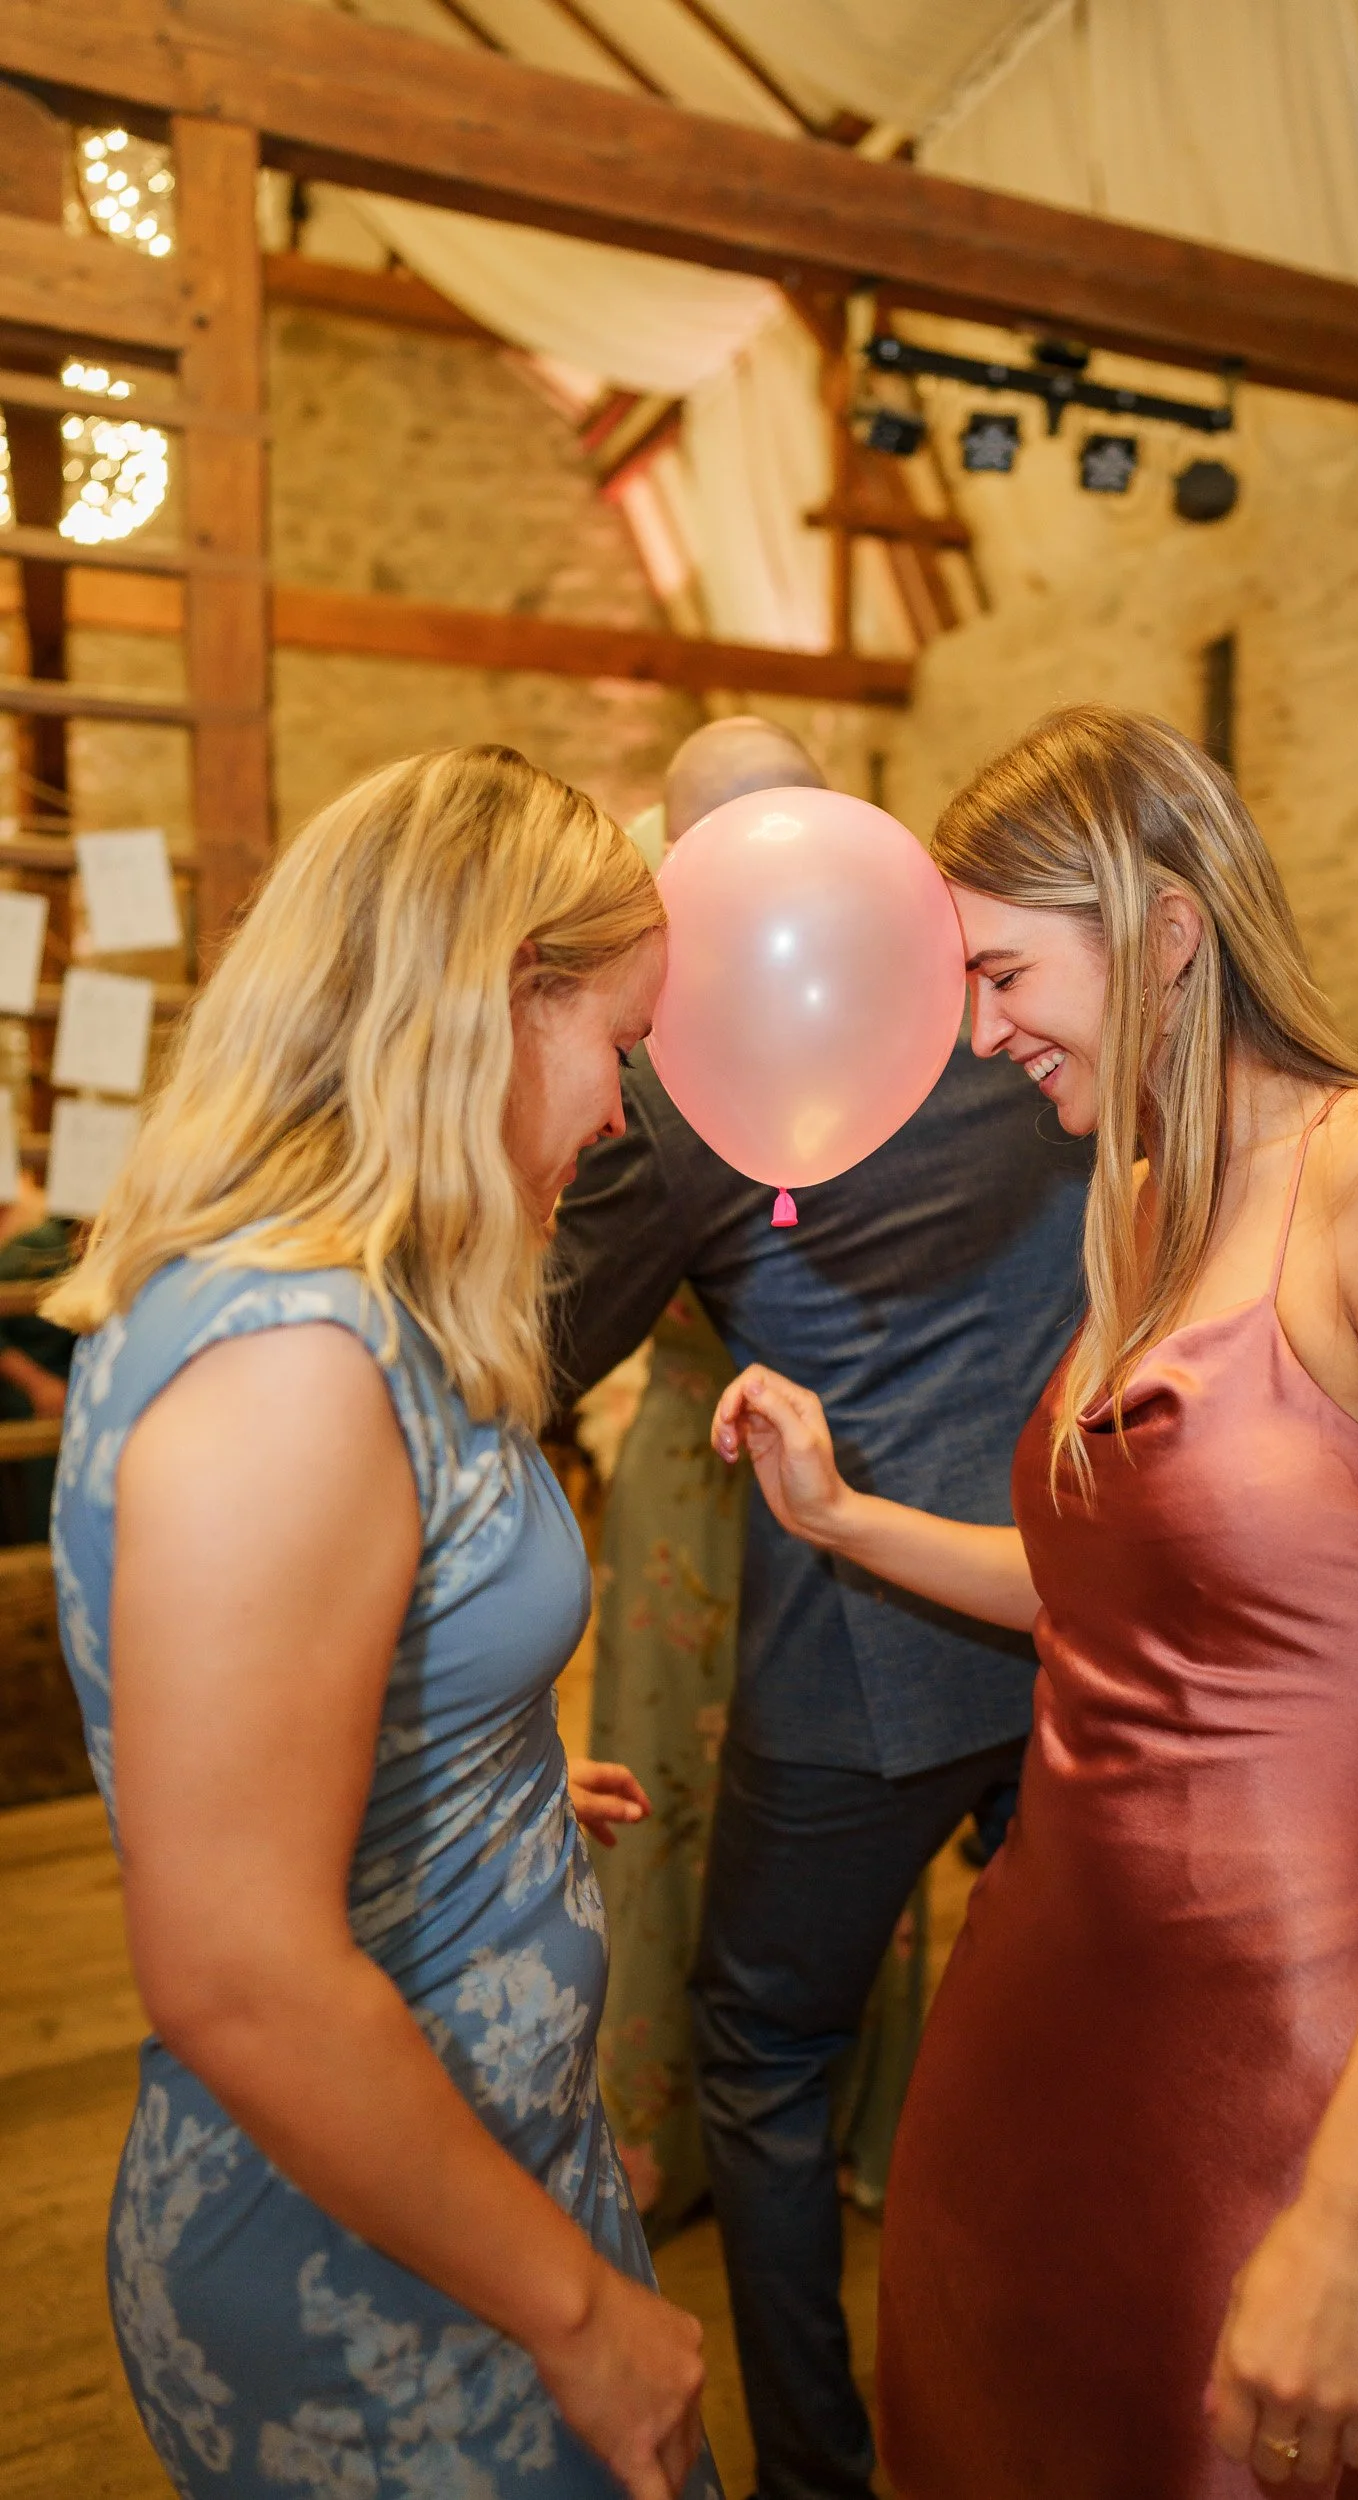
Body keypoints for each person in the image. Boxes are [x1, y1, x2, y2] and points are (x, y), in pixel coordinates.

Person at [713, 706, 1358, 2500]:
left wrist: (1357, 2203)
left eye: (1005, 970)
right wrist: (846, 1518)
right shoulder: (1132, 1201)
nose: (976, 1029)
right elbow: (1116, 1602)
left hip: (1282, 2049)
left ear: (1166, 930)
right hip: (1042, 1998)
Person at [45, 745, 717, 2500]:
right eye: (620, 1046)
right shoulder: (293, 1365)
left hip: (476, 2176)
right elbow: (242, 1978)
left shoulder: (351, 1300)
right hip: (372, 2262)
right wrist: (578, 2313)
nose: (625, 1112)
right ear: (493, 1001)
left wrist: (454, 1768)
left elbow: (284, 1701)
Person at [550, 713, 1093, 2500]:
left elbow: (553, 1343)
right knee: (1053, 2035)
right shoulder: (1000, 1005)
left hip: (853, 1654)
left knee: (765, 2050)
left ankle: (816, 2477)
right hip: (1077, 1597)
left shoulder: (690, 1076)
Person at [590, 721, 926, 2242]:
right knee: (665, 1785)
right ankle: (671, 2127)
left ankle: (845, 2112)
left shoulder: (900, 994)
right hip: (688, 1454)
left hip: (856, 1455)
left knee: (854, 1783)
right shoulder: (645, 1026)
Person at [0, 1166, 76, 1543]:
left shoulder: (45, 1229)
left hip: (56, 1374)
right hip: (33, 1381)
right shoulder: (43, 1228)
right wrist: (39, 1383)